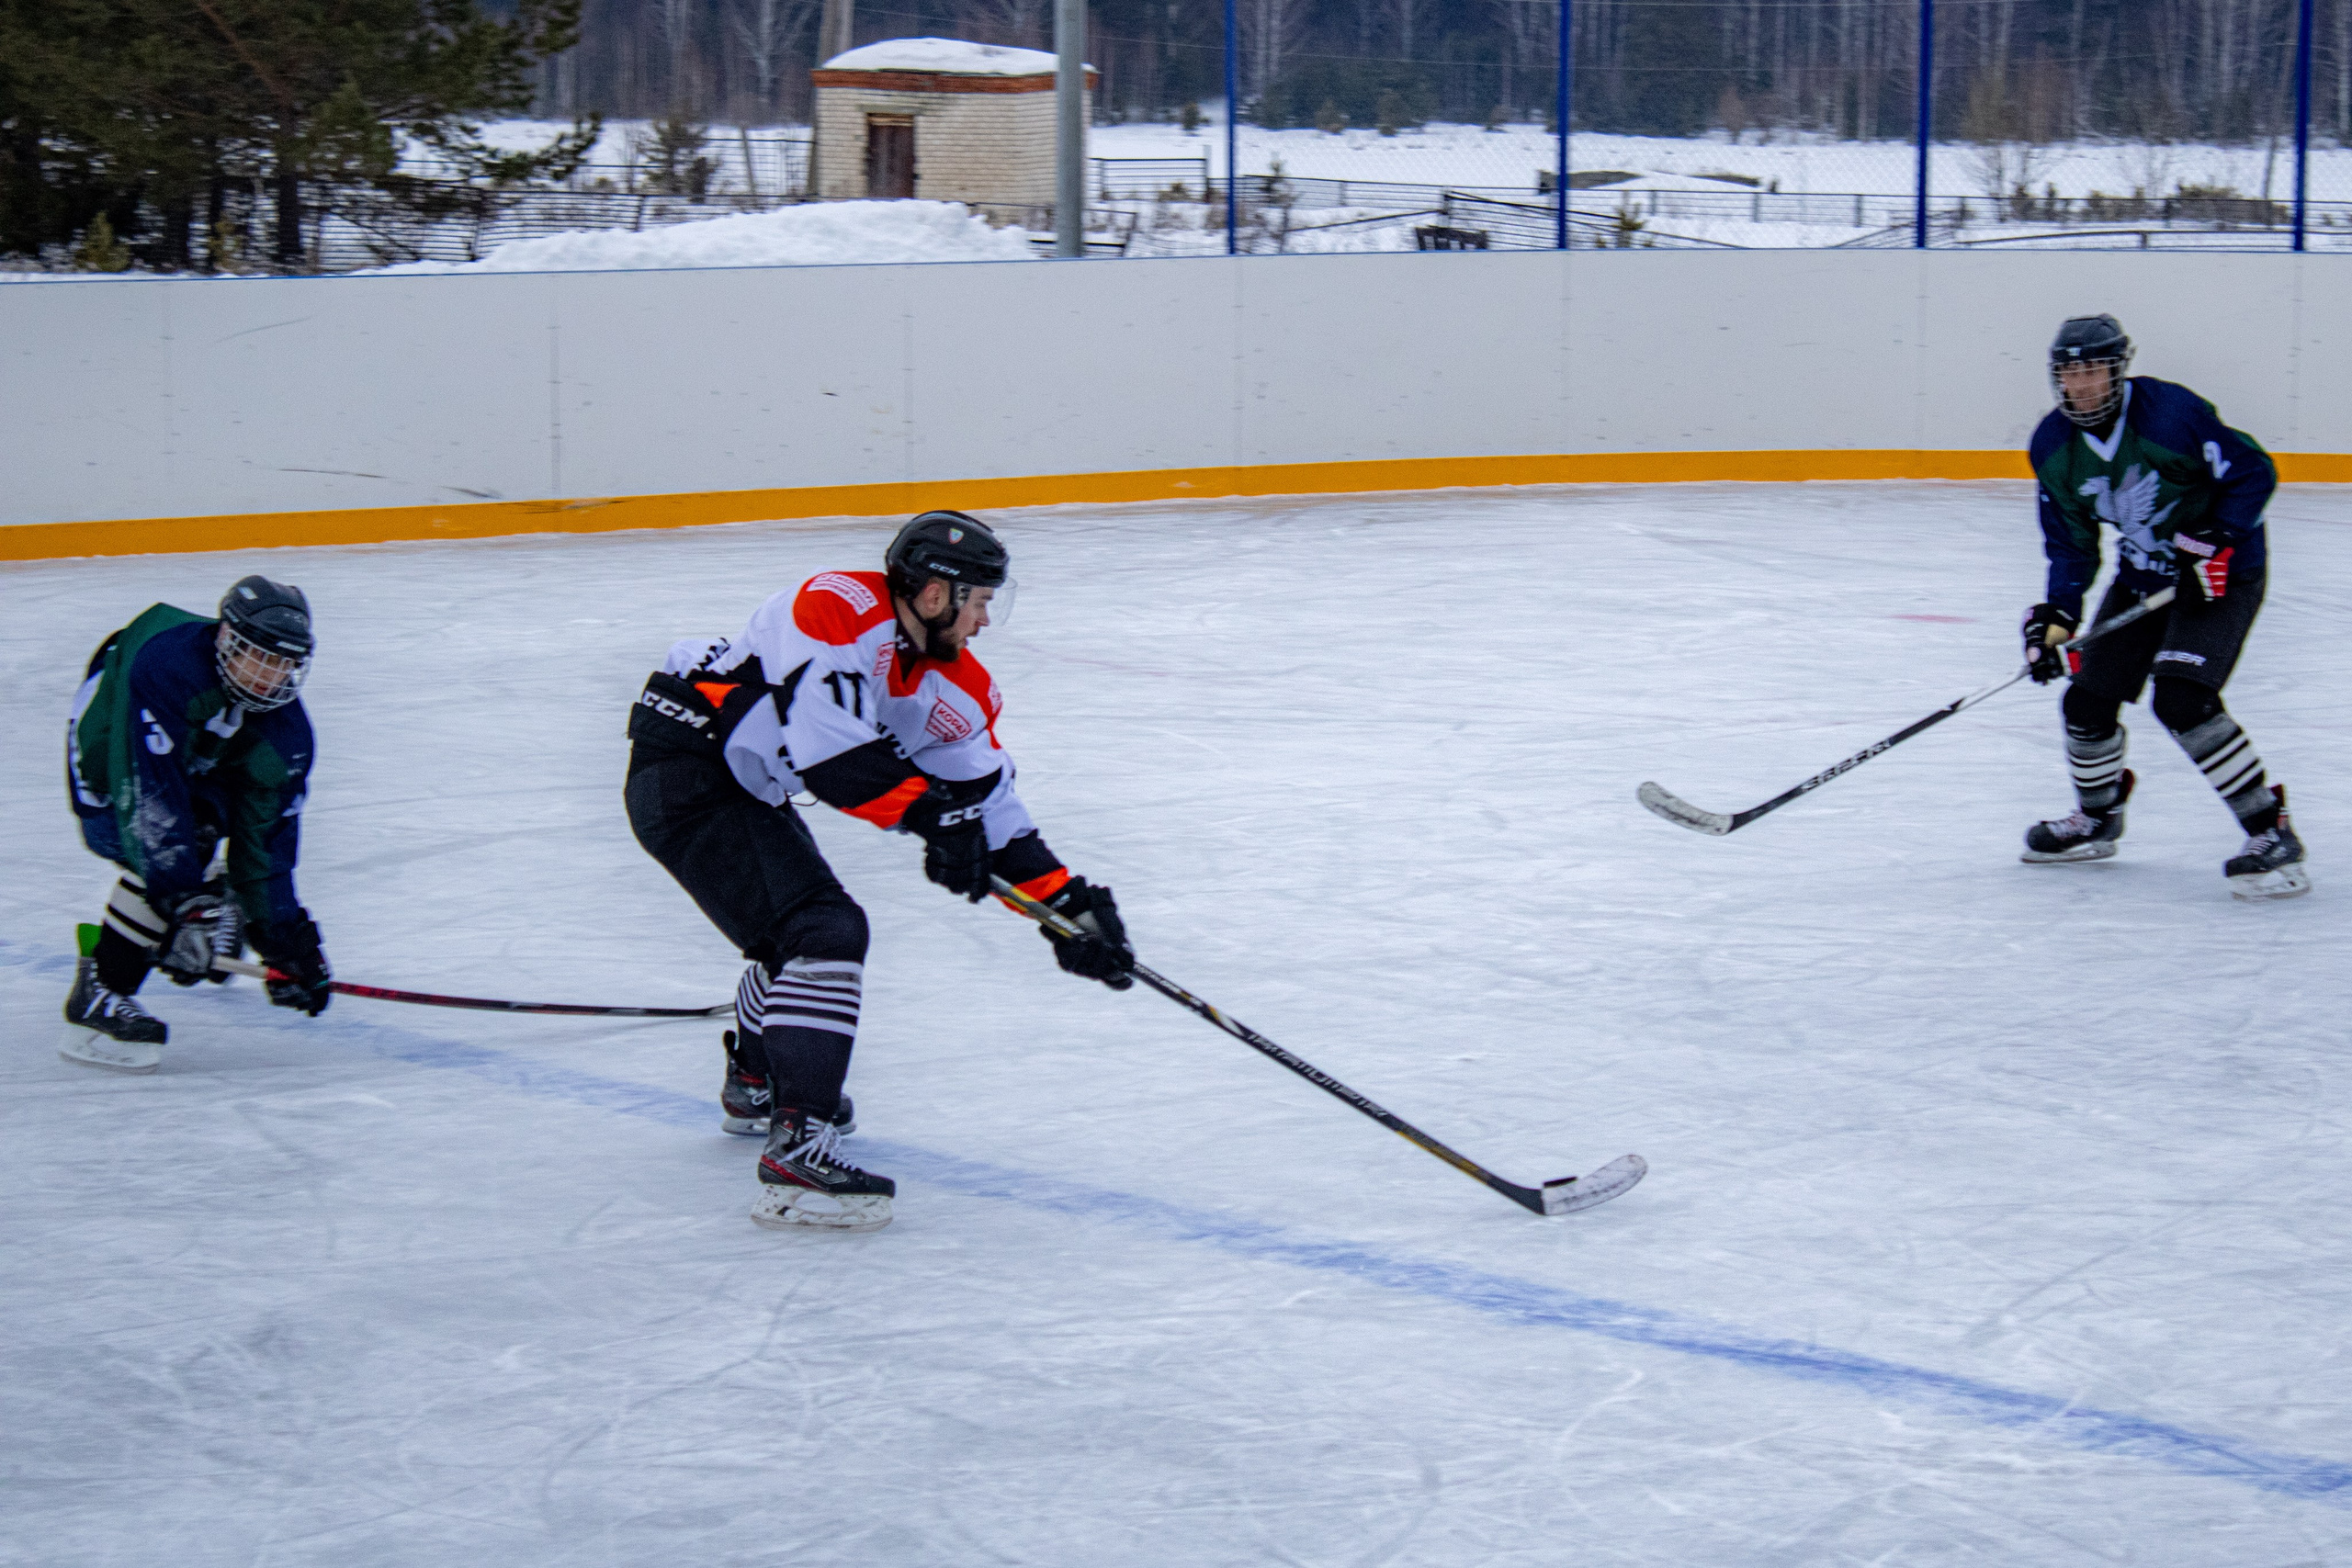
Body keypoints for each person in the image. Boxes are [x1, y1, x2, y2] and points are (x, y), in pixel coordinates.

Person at [625, 511, 1135, 1234]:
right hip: (684, 768)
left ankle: (758, 1080)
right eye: (981, 600)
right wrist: (935, 817)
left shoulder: (955, 684)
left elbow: (990, 809)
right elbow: (830, 756)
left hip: (742, 781)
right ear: (935, 593)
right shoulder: (835, 604)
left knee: (799, 929)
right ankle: (797, 1155)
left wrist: (1066, 908)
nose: (987, 620)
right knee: (822, 930)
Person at [2018, 314, 2308, 899]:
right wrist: (2057, 617)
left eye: (2094, 372)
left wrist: (2219, 538)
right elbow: (2071, 546)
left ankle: (2269, 830)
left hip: (2221, 573)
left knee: (2182, 697)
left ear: (2118, 372)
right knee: (2086, 701)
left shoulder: (2170, 416)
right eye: (2070, 375)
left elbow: (2254, 471)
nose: (2082, 387)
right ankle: (2098, 820)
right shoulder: (2053, 447)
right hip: (2145, 576)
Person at [62, 576, 334, 1072]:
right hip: (108, 740)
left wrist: (284, 941)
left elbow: (267, 841)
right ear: (226, 640)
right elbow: (149, 802)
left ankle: (211, 898)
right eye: (258, 656)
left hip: (197, 750)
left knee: (205, 826)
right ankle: (100, 991)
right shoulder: (166, 669)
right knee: (149, 840)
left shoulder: (288, 734)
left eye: (284, 664)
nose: (268, 676)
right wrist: (184, 904)